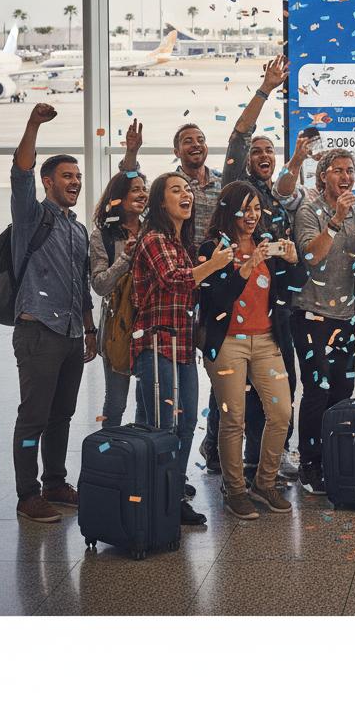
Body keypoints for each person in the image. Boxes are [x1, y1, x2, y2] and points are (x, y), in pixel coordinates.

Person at [204, 55, 299, 481]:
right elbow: (239, 134)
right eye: (256, 151)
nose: (262, 155)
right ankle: (217, 454)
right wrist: (265, 90)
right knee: (230, 396)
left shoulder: (276, 201)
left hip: (271, 313)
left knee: (272, 394)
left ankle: (263, 461)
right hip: (231, 310)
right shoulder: (236, 188)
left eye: (269, 151)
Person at [197, 181, 307, 519]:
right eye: (246, 209)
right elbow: (214, 299)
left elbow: (293, 286)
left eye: (257, 209)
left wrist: (294, 261)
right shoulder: (213, 247)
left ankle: (264, 482)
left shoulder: (265, 243)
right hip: (227, 343)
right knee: (234, 419)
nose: (252, 215)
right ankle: (235, 490)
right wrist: (245, 268)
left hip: (267, 341)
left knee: (282, 413)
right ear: (229, 209)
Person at [10, 104, 97, 523]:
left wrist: (89, 330)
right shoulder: (32, 217)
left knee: (62, 415)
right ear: (48, 182)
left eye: (77, 176)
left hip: (71, 334)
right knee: (34, 418)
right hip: (38, 331)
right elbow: (20, 172)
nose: (75, 181)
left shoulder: (77, 229)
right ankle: (27, 494)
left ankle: (55, 483)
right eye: (67, 176)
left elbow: (82, 283)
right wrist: (33, 125)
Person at [132, 173, 234, 527]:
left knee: (187, 422)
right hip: (157, 343)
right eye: (176, 190)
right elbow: (174, 280)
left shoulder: (182, 244)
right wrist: (213, 265)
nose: (186, 194)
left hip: (183, 346)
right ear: (161, 202)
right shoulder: (154, 239)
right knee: (162, 426)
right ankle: (156, 498)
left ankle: (172, 491)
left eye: (187, 189)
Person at [290, 147, 355, 493]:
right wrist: (335, 220)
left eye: (350, 170)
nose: (345, 176)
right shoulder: (310, 210)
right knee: (317, 389)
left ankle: (334, 456)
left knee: (342, 390)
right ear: (323, 177)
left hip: (345, 315)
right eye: (338, 170)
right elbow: (311, 256)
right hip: (312, 314)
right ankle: (309, 463)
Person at [89, 170, 147, 429]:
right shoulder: (102, 235)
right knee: (115, 402)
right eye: (135, 189)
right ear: (119, 197)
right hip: (117, 328)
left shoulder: (153, 229)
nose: (142, 194)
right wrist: (125, 258)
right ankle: (109, 449)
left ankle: (143, 449)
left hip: (150, 324)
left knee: (148, 402)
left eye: (144, 188)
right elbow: (100, 284)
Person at [120, 118, 221, 246]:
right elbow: (131, 181)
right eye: (188, 141)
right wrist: (131, 152)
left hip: (219, 256)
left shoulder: (222, 182)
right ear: (177, 152)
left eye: (201, 140)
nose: (196, 144)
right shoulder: (167, 186)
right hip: (176, 256)